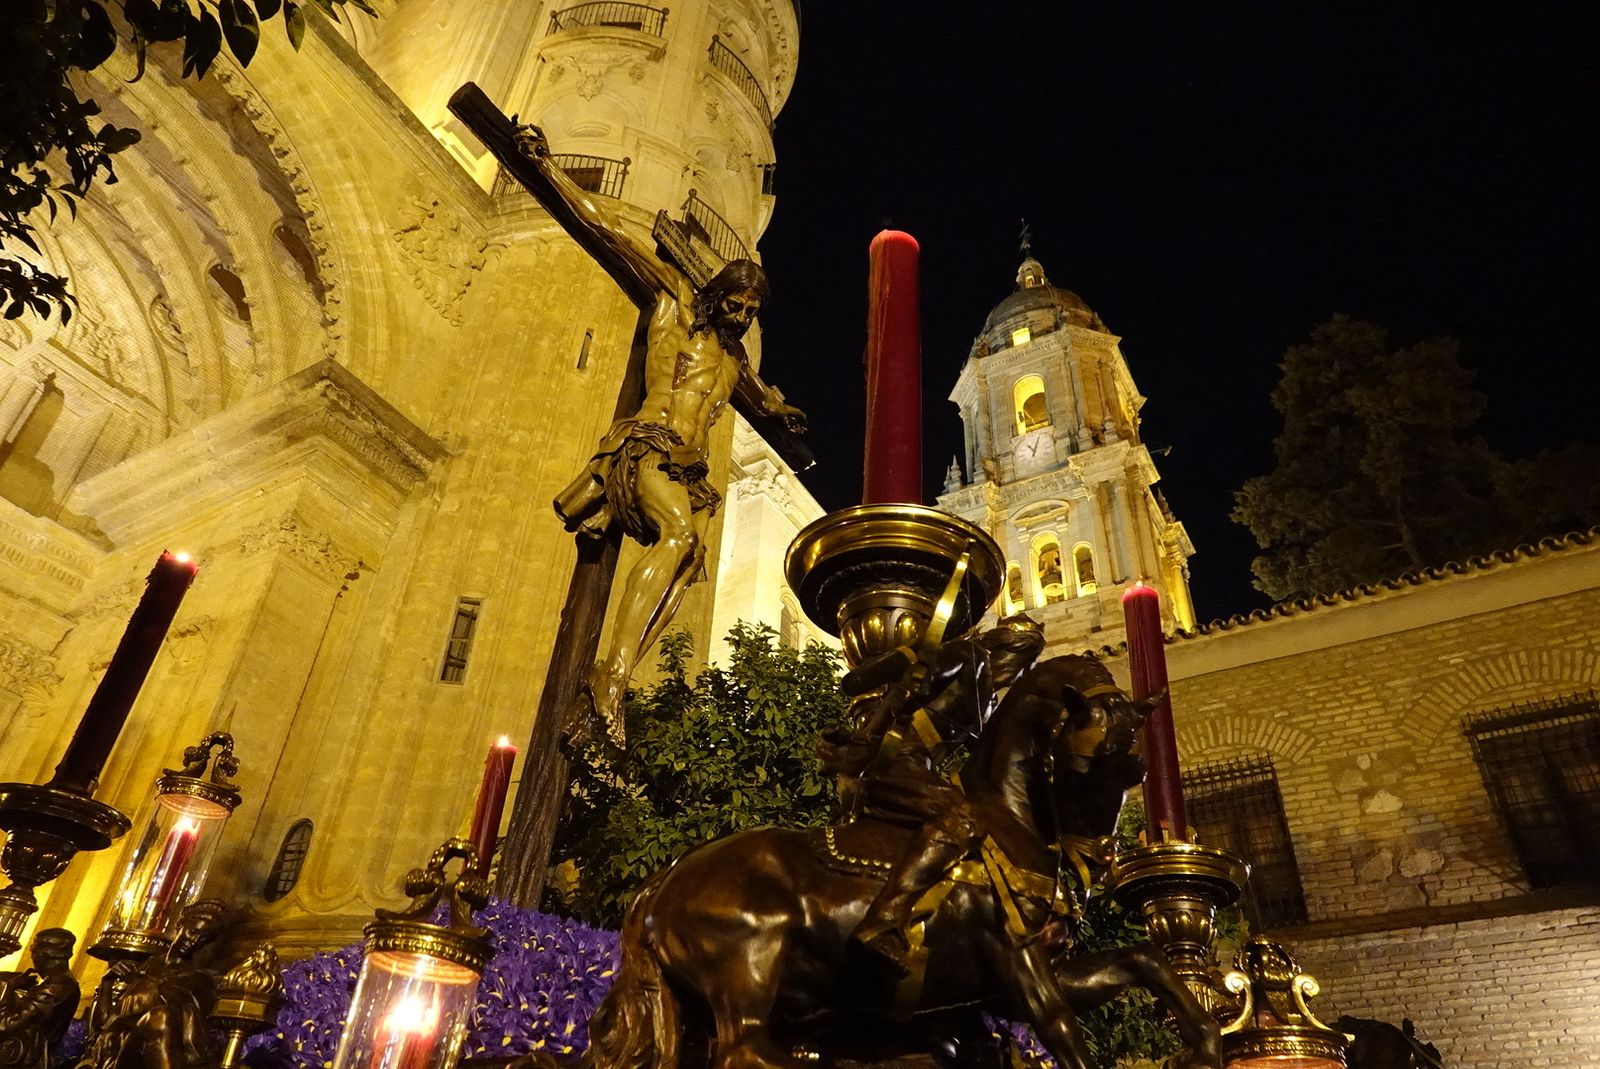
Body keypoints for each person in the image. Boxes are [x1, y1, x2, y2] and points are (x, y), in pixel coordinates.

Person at [515, 124, 806, 748]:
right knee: (675, 537)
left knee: (690, 559)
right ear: (720, 290)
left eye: (755, 308)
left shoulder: (733, 363)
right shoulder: (674, 305)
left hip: (693, 472)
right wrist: (548, 169)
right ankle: (609, 679)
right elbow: (608, 231)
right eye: (739, 299)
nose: (744, 312)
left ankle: (614, 673)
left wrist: (780, 411)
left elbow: (761, 399)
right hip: (648, 444)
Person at [835, 615, 1047, 972]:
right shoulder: (969, 656)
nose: (1019, 674)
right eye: (1021, 662)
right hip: (894, 761)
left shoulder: (990, 699)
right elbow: (901, 692)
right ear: (1007, 650)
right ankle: (882, 923)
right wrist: (870, 733)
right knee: (964, 819)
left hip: (922, 768)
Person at [0, 928, 78, 1069]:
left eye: (33, 952)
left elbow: (5, 1026)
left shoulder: (56, 987)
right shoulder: (58, 984)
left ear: (45, 954)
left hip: (21, 1060)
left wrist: (9, 989)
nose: (32, 958)